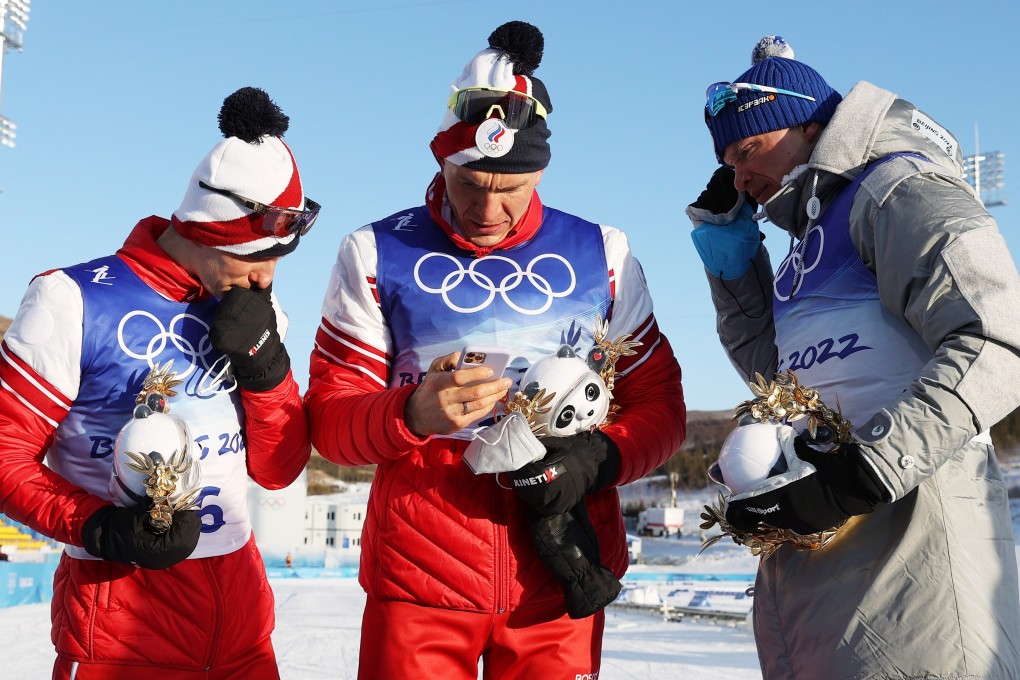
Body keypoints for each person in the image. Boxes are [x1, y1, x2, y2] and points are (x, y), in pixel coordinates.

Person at [305, 20, 686, 680]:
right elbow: (331, 423)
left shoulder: (604, 254)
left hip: (559, 571)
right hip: (421, 580)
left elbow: (662, 408)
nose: (487, 209)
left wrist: (598, 459)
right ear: (442, 161)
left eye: (510, 189)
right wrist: (410, 414)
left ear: (540, 170)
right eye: (468, 185)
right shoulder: (374, 253)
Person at [687, 35, 1020, 678]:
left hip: (913, 536)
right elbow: (782, 379)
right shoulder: (807, 240)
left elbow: (998, 336)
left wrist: (861, 473)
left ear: (809, 125)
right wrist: (734, 266)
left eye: (748, 150)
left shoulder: (896, 188)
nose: (738, 176)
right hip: (822, 550)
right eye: (726, 162)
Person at [0, 87, 314, 679]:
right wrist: (98, 526)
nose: (269, 274)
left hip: (243, 634)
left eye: (281, 255)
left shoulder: (258, 311)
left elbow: (278, 468)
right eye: (259, 253)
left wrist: (268, 371)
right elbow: (4, 454)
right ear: (212, 228)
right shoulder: (71, 300)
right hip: (123, 638)